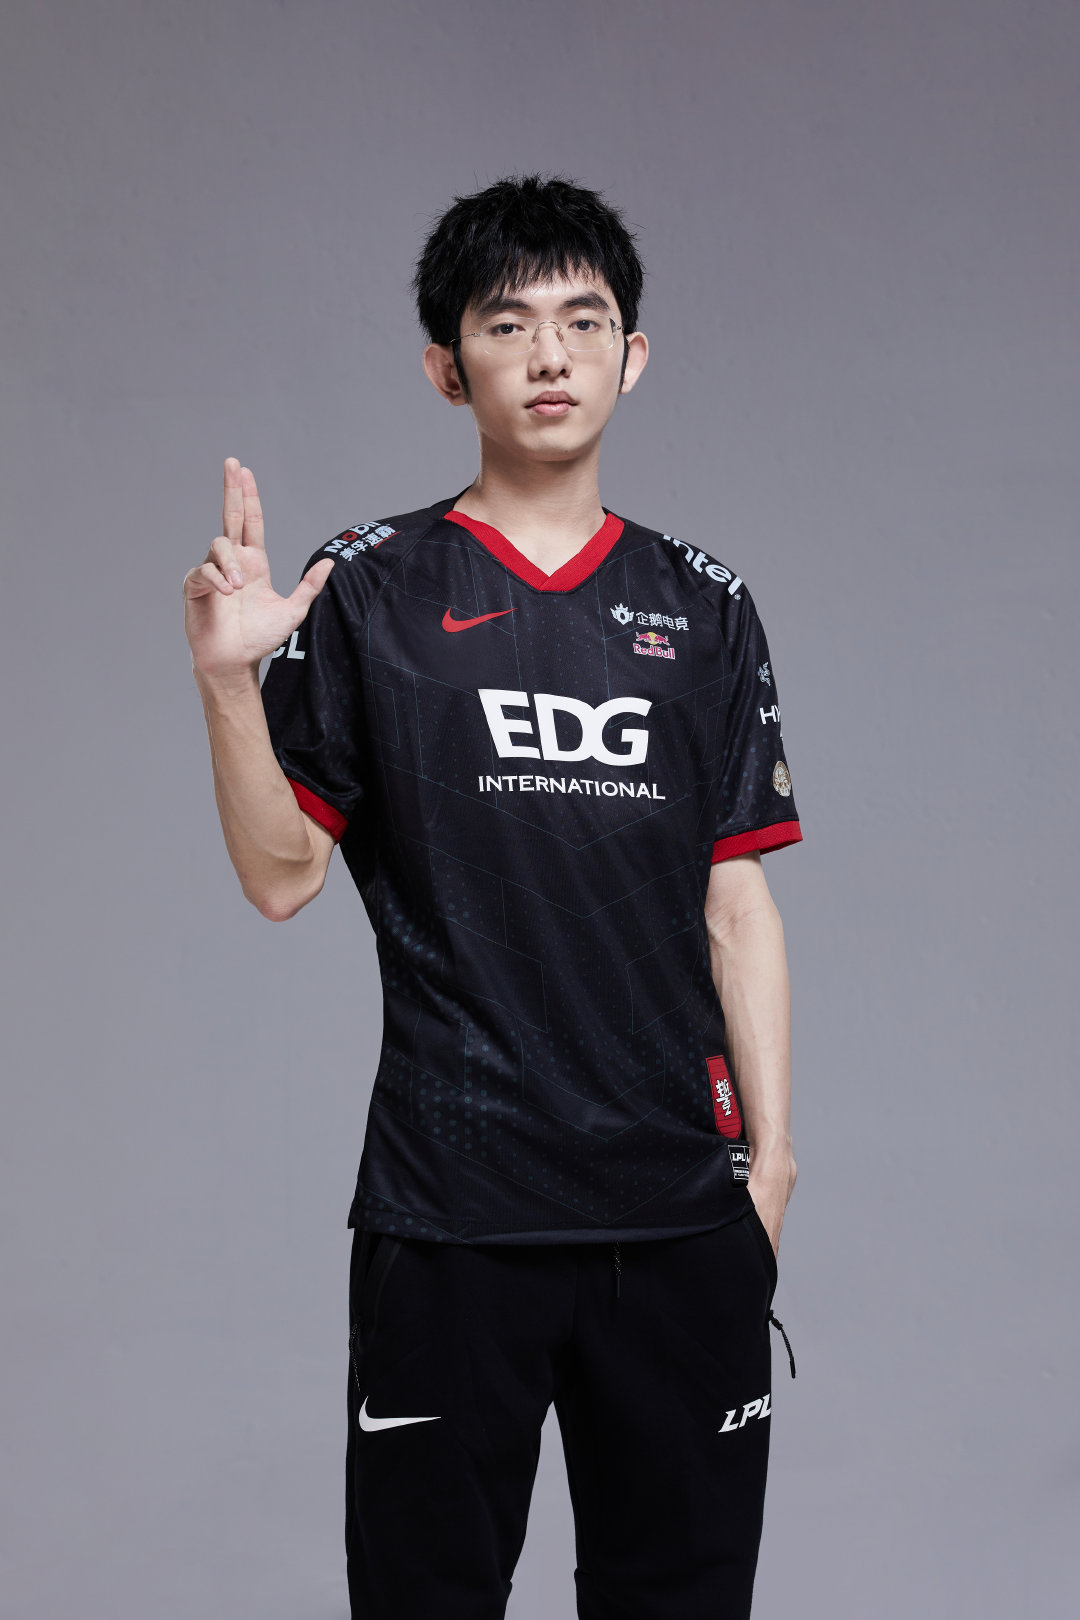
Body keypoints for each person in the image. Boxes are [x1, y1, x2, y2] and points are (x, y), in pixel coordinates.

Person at [183, 172, 801, 1620]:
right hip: (451, 1215)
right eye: (507, 323)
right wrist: (226, 683)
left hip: (680, 1219)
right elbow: (280, 878)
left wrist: (771, 1170)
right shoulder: (369, 590)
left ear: (631, 357)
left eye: (583, 321)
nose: (548, 355)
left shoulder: (704, 605)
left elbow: (738, 904)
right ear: (445, 366)